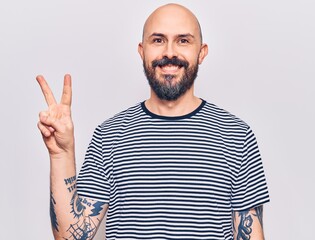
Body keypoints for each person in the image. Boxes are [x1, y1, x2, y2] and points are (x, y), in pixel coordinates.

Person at [37, 3, 270, 240]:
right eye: (158, 40)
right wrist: (61, 154)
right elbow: (71, 237)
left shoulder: (236, 135)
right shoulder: (108, 135)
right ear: (142, 50)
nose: (170, 53)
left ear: (201, 52)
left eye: (183, 40)